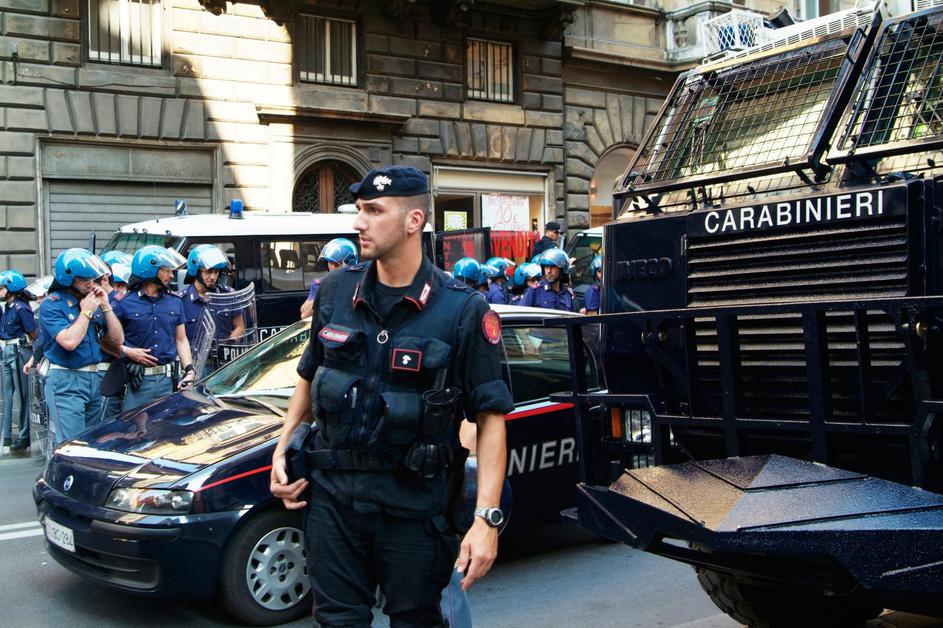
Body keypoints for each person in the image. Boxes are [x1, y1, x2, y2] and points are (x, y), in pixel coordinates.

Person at [269, 165, 512, 627]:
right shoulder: (336, 292)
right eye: (359, 210)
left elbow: (492, 417)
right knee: (336, 621)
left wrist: (487, 521)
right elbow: (309, 372)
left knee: (415, 620)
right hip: (334, 501)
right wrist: (283, 447)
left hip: (415, 509)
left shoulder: (462, 310)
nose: (359, 222)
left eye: (374, 211)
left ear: (413, 221)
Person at [40, 249, 123, 443]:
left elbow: (118, 340)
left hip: (93, 378)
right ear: (69, 279)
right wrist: (85, 313)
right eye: (84, 280)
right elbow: (69, 342)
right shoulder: (52, 305)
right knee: (71, 444)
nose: (90, 284)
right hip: (67, 379)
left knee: (91, 443)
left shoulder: (92, 301)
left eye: (92, 279)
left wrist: (106, 306)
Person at [114, 246, 196, 413]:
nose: (171, 275)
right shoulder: (123, 303)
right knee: (133, 432)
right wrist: (127, 351)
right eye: (166, 270)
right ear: (149, 270)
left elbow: (181, 339)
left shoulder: (175, 301)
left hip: (169, 380)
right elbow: (106, 341)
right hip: (137, 381)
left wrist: (189, 370)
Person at [181, 244, 246, 346]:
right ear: (195, 271)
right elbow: (178, 338)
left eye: (216, 272)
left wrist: (229, 343)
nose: (213, 277)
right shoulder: (181, 300)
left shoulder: (229, 295)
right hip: (195, 359)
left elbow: (240, 327)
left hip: (224, 358)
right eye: (208, 271)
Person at [1, 271, 36, 452]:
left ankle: (24, 436)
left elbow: (33, 334)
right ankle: (6, 435)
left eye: (2, 287)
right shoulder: (8, 307)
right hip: (7, 350)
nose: (0, 291)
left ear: (11, 288)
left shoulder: (21, 308)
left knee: (23, 397)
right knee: (7, 395)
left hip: (18, 350)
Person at [300, 238, 359, 319]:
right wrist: (322, 290)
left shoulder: (359, 284)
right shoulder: (321, 284)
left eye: (337, 264)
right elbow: (304, 314)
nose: (333, 267)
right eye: (330, 263)